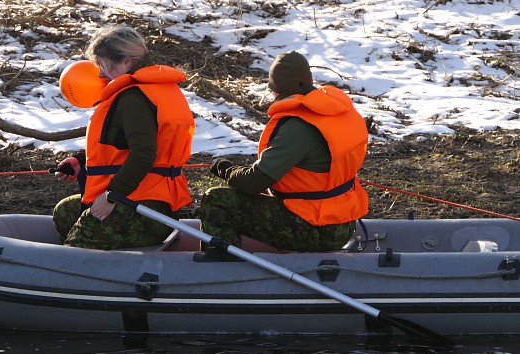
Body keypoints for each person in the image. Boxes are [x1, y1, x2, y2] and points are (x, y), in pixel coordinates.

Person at [198, 51, 368, 252]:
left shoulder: (299, 126)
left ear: (276, 89)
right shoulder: (336, 111)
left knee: (217, 200)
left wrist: (227, 170)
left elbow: (254, 182)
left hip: (315, 226)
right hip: (343, 221)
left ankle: (223, 275)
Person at [53, 25, 195, 249]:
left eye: (103, 66)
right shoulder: (158, 88)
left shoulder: (133, 97)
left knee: (73, 250)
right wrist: (81, 161)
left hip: (142, 207)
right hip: (156, 201)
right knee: (64, 212)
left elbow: (144, 153)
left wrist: (112, 196)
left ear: (126, 62)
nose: (100, 74)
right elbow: (124, 144)